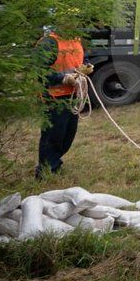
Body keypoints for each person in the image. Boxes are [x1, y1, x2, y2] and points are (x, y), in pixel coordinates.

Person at [36, 29, 93, 178]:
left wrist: (86, 66)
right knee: (53, 135)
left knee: (68, 134)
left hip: (73, 95)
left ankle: (53, 163)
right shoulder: (49, 43)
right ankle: (46, 170)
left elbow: (82, 58)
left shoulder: (76, 40)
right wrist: (62, 78)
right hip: (54, 98)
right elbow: (40, 71)